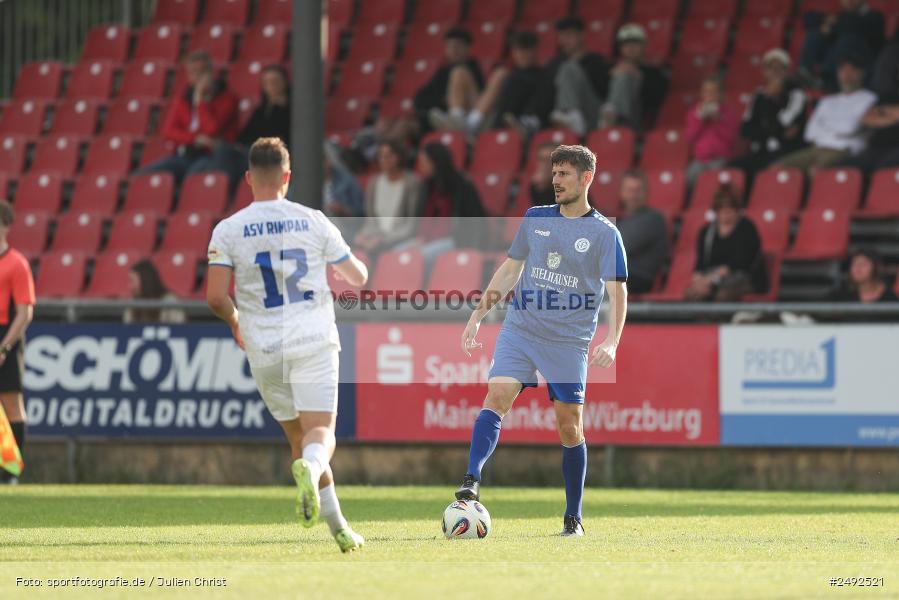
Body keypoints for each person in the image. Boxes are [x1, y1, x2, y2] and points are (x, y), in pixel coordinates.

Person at [455, 145, 628, 537]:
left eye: (564, 174)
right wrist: (477, 315)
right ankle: (471, 480)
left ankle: (573, 517)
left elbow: (618, 292)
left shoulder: (605, 233)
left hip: (568, 342)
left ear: (586, 178)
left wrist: (612, 341)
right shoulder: (535, 218)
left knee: (569, 427)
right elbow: (510, 270)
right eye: (554, 173)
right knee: (497, 395)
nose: (556, 181)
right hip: (521, 330)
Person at [206, 138, 369, 553]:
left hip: (263, 348)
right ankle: (311, 470)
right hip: (312, 339)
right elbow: (357, 277)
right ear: (287, 177)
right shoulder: (312, 220)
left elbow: (215, 297)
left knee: (300, 441)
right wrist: (349, 266)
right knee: (320, 436)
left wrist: (236, 320)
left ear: (248, 178)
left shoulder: (228, 229)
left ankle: (339, 529)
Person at [137, 51, 239, 182]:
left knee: (191, 181)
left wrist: (200, 101)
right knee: (142, 176)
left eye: (202, 71)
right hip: (185, 155)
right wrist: (195, 139)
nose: (198, 77)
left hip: (211, 156)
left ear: (211, 73)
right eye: (193, 72)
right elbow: (168, 131)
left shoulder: (227, 98)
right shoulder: (183, 99)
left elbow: (212, 130)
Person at [432, 31, 545, 137]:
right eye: (518, 50)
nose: (521, 54)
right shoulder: (513, 72)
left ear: (534, 50)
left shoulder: (541, 75)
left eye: (525, 50)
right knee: (458, 72)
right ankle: (457, 118)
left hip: (500, 119)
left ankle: (469, 126)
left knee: (500, 73)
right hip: (483, 116)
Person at [776, 54, 877, 173]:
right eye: (843, 71)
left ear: (861, 73)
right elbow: (810, 133)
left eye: (851, 71)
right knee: (775, 169)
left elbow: (850, 127)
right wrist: (838, 131)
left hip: (845, 150)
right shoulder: (827, 101)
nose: (846, 75)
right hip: (817, 149)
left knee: (816, 172)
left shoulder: (869, 98)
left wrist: (826, 127)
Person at [207, 64, 291, 190]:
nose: (271, 85)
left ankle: (223, 192)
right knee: (216, 155)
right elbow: (245, 136)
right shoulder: (261, 110)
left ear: (284, 82)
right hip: (251, 152)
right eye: (267, 82)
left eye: (275, 81)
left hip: (271, 156)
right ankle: (219, 192)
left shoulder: (292, 110)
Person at [729, 49, 808, 181]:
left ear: (787, 71)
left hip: (785, 152)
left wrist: (770, 100)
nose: (775, 72)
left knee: (765, 172)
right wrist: (773, 131)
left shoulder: (796, 94)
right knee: (731, 171)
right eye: (771, 68)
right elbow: (746, 129)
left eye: (780, 68)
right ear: (764, 72)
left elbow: (779, 125)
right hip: (760, 151)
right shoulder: (758, 95)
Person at [0, 201, 35, 485]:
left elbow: (25, 312)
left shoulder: (16, 263)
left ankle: (11, 471)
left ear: (6, 226)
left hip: (6, 335)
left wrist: (5, 346)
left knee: (11, 403)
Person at [684, 184, 767, 302]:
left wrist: (711, 280)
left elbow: (740, 263)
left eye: (731, 206)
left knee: (723, 296)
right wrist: (699, 282)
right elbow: (700, 264)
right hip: (711, 278)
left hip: (741, 279)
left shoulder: (747, 228)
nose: (725, 210)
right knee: (692, 294)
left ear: (737, 208)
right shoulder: (706, 231)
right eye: (721, 207)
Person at [410, 142, 486, 267]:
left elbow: (473, 221)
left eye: (424, 162)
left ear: (436, 162)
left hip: (454, 239)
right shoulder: (427, 186)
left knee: (418, 257)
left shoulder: (461, 186)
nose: (420, 166)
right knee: (395, 254)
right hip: (426, 238)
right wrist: (421, 239)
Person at [538, 17, 611, 136]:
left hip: (594, 114)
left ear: (582, 35)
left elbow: (605, 93)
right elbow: (546, 95)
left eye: (568, 35)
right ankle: (570, 116)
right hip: (562, 118)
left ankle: (571, 114)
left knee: (569, 68)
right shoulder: (556, 63)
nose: (564, 41)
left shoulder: (596, 60)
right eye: (561, 36)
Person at [837, 34, 899, 173]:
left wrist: (884, 112)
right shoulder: (889, 95)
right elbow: (866, 118)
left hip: (896, 149)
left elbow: (878, 114)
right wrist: (894, 116)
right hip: (877, 147)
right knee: (841, 168)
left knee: (885, 168)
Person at [354, 141, 422, 254]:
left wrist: (384, 240)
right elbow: (370, 220)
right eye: (381, 156)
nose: (384, 160)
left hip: (398, 238)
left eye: (388, 156)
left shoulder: (412, 183)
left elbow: (411, 225)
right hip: (375, 237)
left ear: (399, 157)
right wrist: (363, 235)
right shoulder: (374, 183)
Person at [800, 0, 885, 91]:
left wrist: (832, 26)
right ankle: (805, 72)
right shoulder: (840, 16)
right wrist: (827, 22)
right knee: (816, 34)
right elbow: (808, 19)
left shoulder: (875, 16)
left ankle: (825, 79)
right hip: (837, 58)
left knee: (847, 40)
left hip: (861, 61)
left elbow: (853, 26)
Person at [415, 27, 485, 133]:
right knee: (405, 124)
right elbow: (421, 97)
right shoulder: (443, 71)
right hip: (445, 115)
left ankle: (456, 118)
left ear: (467, 48)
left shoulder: (473, 68)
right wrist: (443, 101)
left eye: (457, 46)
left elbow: (479, 96)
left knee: (458, 73)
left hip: (470, 117)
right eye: (449, 46)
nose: (453, 50)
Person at [601, 23, 669, 130]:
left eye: (635, 43)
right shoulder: (611, 68)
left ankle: (612, 114)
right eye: (626, 44)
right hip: (603, 113)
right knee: (623, 76)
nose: (630, 47)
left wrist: (639, 76)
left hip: (634, 118)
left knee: (626, 76)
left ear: (644, 45)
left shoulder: (653, 71)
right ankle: (611, 115)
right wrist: (611, 75)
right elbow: (600, 92)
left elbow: (657, 99)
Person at [614, 170, 668, 293]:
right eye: (629, 190)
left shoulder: (653, 218)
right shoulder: (621, 221)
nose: (633, 196)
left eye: (638, 190)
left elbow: (620, 248)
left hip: (637, 279)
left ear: (646, 193)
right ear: (621, 193)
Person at [685, 75, 741, 185]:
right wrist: (700, 119)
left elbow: (731, 138)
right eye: (706, 92)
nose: (709, 96)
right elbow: (690, 137)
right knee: (688, 180)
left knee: (713, 182)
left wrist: (718, 120)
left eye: (713, 92)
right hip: (700, 159)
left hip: (720, 158)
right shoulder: (694, 112)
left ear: (720, 94)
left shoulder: (729, 112)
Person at [123, 260, 188, 324]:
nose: (130, 286)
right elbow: (127, 327)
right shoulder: (132, 304)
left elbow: (179, 328)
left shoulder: (170, 301)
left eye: (132, 281)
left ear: (145, 280)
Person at [831, 247, 898, 303]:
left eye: (863, 264)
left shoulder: (889, 298)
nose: (857, 268)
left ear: (875, 267)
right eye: (854, 264)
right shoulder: (841, 295)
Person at [528, 142, 557, 206]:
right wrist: (540, 188)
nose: (545, 164)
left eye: (549, 159)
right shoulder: (535, 186)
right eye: (541, 159)